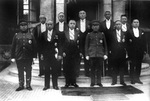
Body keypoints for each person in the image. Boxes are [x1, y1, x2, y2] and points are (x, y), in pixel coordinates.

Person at [11, 19, 37, 91]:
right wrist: (12, 56)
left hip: (28, 57)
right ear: (20, 27)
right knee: (20, 71)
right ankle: (21, 85)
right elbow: (13, 47)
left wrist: (34, 56)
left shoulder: (31, 35)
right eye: (22, 25)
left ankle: (28, 85)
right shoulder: (16, 35)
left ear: (27, 26)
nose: (23, 27)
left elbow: (34, 46)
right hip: (19, 57)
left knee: (28, 70)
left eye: (25, 25)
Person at [85, 20, 108, 87]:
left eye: (97, 26)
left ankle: (99, 82)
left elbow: (105, 45)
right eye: (94, 26)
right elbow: (86, 45)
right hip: (92, 54)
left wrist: (105, 53)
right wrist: (86, 54)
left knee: (99, 69)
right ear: (92, 27)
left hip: (100, 54)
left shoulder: (102, 34)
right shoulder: (89, 35)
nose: (95, 27)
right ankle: (92, 82)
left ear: (99, 27)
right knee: (92, 69)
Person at [58, 20, 80, 88]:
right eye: (71, 23)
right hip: (67, 51)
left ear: (75, 25)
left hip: (75, 51)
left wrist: (80, 52)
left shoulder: (78, 32)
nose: (72, 25)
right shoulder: (64, 33)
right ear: (68, 24)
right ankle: (67, 82)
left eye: (74, 23)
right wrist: (62, 52)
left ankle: (73, 82)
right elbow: (61, 44)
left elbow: (81, 43)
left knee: (74, 67)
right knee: (67, 67)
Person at [126, 19, 146, 84]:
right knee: (132, 65)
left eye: (137, 22)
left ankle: (137, 78)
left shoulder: (142, 31)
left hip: (140, 51)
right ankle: (132, 79)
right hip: (132, 51)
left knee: (138, 65)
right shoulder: (128, 31)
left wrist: (144, 50)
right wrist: (128, 51)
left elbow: (144, 42)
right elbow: (127, 43)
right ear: (132, 23)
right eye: (134, 22)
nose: (136, 23)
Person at [41, 20, 59, 90]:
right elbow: (41, 45)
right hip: (46, 55)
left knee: (54, 70)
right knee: (46, 70)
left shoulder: (56, 33)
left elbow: (59, 44)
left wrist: (59, 53)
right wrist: (42, 54)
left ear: (53, 25)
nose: (49, 26)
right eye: (48, 24)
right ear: (46, 25)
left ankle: (55, 85)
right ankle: (46, 85)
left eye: (51, 24)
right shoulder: (43, 34)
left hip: (54, 54)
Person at [110, 20, 127, 86]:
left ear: (121, 25)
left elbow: (126, 43)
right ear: (115, 25)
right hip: (114, 52)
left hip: (122, 52)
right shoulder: (112, 33)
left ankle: (122, 81)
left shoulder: (124, 33)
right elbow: (110, 42)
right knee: (114, 67)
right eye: (117, 24)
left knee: (122, 67)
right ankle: (114, 81)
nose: (118, 25)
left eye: (119, 24)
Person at [76, 10, 91, 76]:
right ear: (79, 15)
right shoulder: (76, 23)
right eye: (81, 13)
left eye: (83, 13)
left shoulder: (89, 23)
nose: (82, 14)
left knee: (86, 57)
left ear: (86, 15)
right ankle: (77, 73)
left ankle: (87, 72)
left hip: (87, 42)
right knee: (78, 58)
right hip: (79, 42)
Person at [100, 11, 114, 76]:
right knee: (104, 57)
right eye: (106, 14)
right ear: (104, 15)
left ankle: (110, 72)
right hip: (104, 42)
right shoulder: (101, 23)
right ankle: (103, 72)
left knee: (111, 58)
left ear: (110, 15)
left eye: (109, 14)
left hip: (112, 43)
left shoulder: (113, 23)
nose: (107, 15)